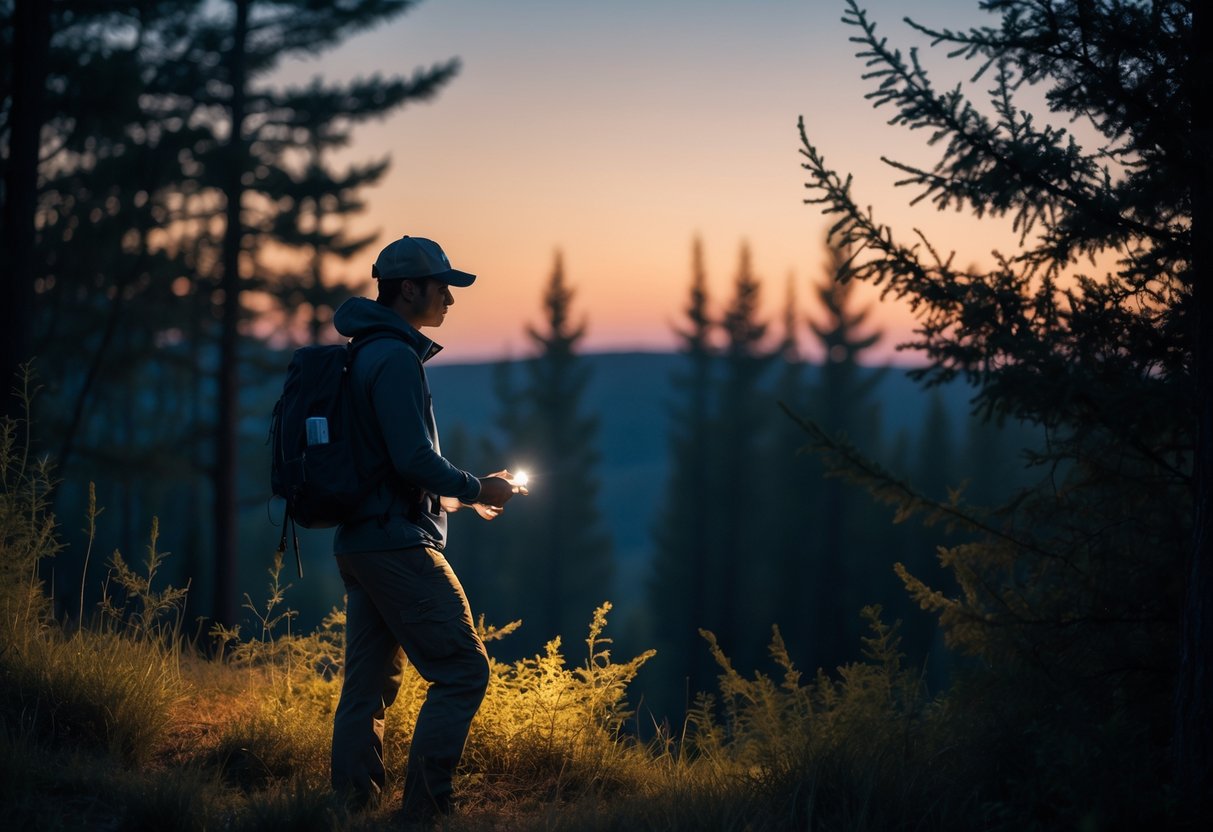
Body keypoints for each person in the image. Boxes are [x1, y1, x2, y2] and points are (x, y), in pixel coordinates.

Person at [328, 234, 524, 824]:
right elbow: (413, 459)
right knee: (463, 670)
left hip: (362, 541)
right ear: (408, 288)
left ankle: (349, 809)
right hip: (397, 544)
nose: (450, 299)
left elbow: (386, 464)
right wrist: (476, 488)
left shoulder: (365, 352)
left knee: (367, 686)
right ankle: (425, 812)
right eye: (442, 287)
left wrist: (457, 500)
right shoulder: (394, 358)